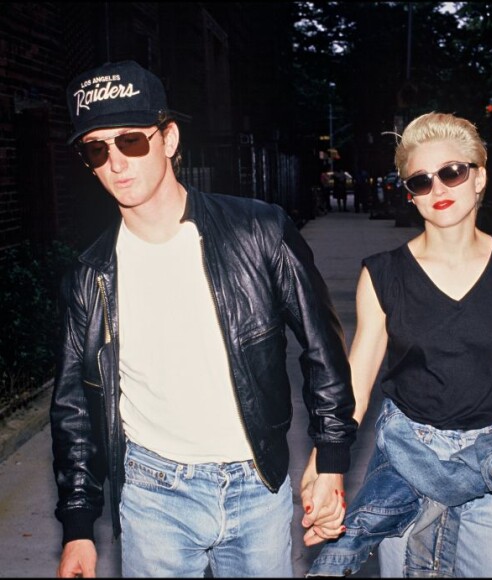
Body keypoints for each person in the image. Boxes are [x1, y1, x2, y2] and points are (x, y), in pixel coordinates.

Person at [50, 60, 357, 578]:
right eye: (96, 149)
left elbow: (321, 348)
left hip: (256, 481)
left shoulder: (259, 231)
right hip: (153, 492)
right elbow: (74, 407)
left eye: (130, 141)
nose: (116, 163)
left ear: (168, 138)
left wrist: (331, 459)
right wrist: (79, 525)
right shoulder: (91, 275)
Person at [307, 112, 492, 577]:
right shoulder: (383, 273)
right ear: (410, 194)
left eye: (452, 172)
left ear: (479, 176)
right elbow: (358, 381)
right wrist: (326, 463)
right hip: (407, 459)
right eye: (421, 181)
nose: (439, 189)